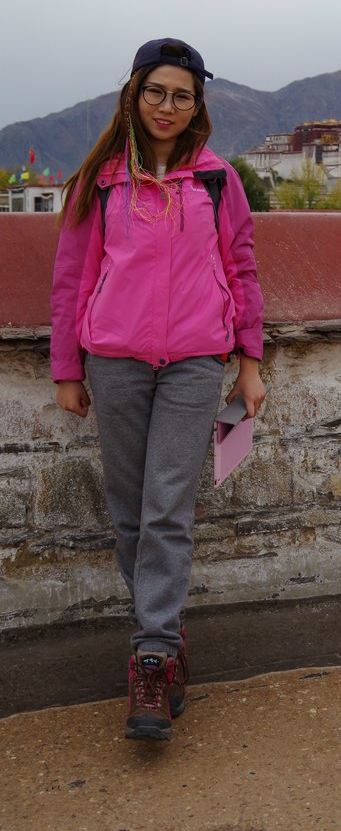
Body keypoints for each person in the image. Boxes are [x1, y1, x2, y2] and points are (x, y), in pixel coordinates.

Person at [50, 38, 265, 741]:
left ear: (198, 104)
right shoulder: (100, 182)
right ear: (134, 95)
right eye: (156, 92)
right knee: (129, 515)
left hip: (196, 363)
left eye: (182, 95)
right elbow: (72, 278)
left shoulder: (218, 181)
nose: (167, 106)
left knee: (167, 508)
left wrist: (250, 362)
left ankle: (151, 657)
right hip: (114, 363)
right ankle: (164, 635)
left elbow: (241, 269)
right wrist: (67, 367)